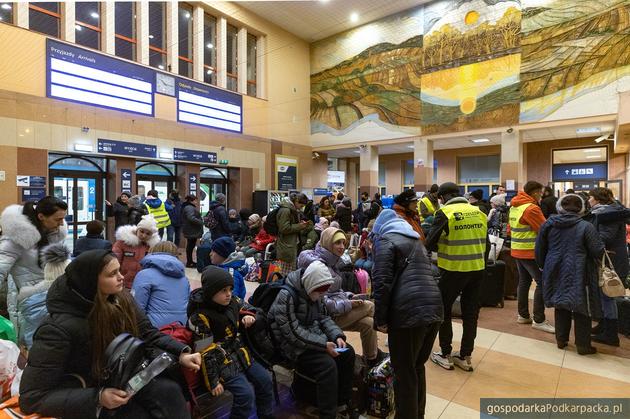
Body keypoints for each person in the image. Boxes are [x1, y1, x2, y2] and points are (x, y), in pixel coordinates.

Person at [19, 249, 201, 418]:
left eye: (119, 271)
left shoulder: (121, 299)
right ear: (91, 281)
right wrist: (97, 397)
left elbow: (147, 332)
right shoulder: (57, 330)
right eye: (112, 274)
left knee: (170, 392)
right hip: (90, 398)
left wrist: (181, 353)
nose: (122, 277)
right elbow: (32, 397)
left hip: (125, 382)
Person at [371, 209, 443, 419]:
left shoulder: (385, 241)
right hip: (434, 308)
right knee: (416, 367)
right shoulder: (415, 240)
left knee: (404, 372)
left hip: (409, 313)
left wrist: (381, 320)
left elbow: (382, 283)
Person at [268, 261, 357, 419]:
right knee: (327, 365)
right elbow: (291, 333)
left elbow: (324, 317)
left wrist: (337, 335)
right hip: (289, 345)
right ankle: (327, 414)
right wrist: (323, 345)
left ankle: (342, 402)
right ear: (311, 284)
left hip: (311, 337)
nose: (322, 295)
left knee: (348, 353)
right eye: (320, 291)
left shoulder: (315, 292)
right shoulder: (287, 295)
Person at [188, 266, 274, 419]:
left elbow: (256, 311)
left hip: (242, 355)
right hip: (220, 363)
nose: (228, 294)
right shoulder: (199, 316)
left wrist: (250, 316)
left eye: (230, 289)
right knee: (245, 395)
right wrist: (213, 382)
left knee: (266, 381)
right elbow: (205, 350)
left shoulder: (233, 301)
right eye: (223, 290)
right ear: (211, 291)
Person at [298, 228, 385, 367]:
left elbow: (335, 291)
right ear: (327, 243)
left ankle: (371, 360)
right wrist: (349, 304)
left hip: (335, 311)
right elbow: (321, 302)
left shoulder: (332, 261)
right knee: (370, 306)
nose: (342, 247)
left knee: (368, 323)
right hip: (325, 318)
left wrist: (349, 296)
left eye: (343, 242)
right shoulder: (318, 266)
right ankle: (384, 328)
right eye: (337, 242)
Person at [426, 182, 487, 372]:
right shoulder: (479, 212)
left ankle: (445, 354)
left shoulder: (444, 213)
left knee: (443, 310)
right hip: (477, 269)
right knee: (470, 313)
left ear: (442, 198)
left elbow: (429, 243)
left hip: (453, 269)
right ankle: (465, 356)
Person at [536, 195, 605, 355]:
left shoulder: (548, 224)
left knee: (561, 304)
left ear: (560, 207)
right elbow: (597, 250)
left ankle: (561, 340)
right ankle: (583, 345)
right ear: (581, 208)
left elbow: (539, 249)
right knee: (581, 307)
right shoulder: (585, 226)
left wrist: (543, 266)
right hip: (580, 269)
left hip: (554, 268)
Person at [0, 196, 68, 333]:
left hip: (55, 297)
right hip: (31, 300)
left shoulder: (54, 233)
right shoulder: (16, 239)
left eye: (63, 218)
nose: (61, 224)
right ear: (41, 216)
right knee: (34, 341)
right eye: (58, 219)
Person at [586, 187, 630, 346]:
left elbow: (605, 237)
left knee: (608, 295)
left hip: (611, 259)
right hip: (610, 258)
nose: (588, 201)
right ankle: (604, 325)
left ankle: (611, 334)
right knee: (605, 294)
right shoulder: (609, 211)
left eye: (590, 198)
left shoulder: (606, 214)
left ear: (597, 199)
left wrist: (589, 242)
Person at [509, 181, 555, 333]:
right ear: (535, 192)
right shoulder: (531, 208)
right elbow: (544, 229)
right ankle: (539, 319)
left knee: (524, 282)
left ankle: (523, 315)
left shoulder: (515, 206)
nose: (541, 196)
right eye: (540, 193)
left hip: (517, 249)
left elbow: (510, 230)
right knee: (542, 282)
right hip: (530, 252)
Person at [18, 243, 71, 349]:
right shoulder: (70, 297)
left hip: (34, 351)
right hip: (61, 352)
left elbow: (26, 332)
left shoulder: (30, 298)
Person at [131, 241, 190, 328]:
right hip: (181, 329)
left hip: (154, 331)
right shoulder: (184, 279)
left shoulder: (144, 275)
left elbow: (136, 308)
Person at [112, 215, 161, 289]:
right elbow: (114, 262)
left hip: (142, 284)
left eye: (148, 234)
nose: (144, 235)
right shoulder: (123, 242)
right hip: (122, 282)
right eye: (141, 231)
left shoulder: (153, 247)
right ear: (137, 230)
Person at [276, 193, 312, 276]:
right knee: (286, 273)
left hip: (290, 243)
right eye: (301, 205)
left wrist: (300, 225)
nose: (301, 207)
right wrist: (300, 226)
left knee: (289, 271)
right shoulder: (286, 210)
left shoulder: (291, 209)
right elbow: (284, 228)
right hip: (287, 244)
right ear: (296, 201)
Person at [181, 194, 204, 268]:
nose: (197, 202)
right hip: (191, 230)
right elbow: (191, 218)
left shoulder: (188, 207)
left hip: (190, 229)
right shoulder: (189, 208)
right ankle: (189, 262)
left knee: (190, 246)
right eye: (195, 200)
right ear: (191, 201)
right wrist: (200, 222)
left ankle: (190, 261)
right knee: (190, 246)